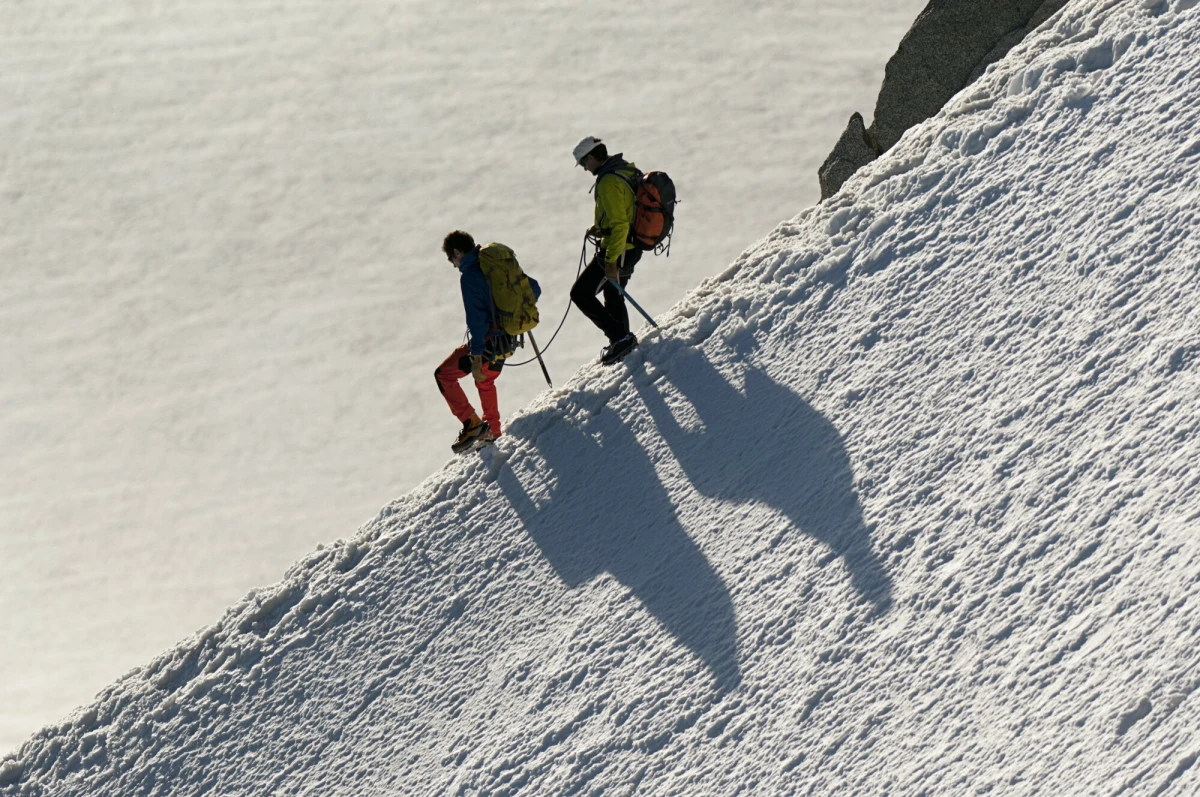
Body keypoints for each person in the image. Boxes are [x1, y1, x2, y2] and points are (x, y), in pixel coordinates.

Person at [435, 230, 541, 453]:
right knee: (485, 381)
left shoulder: (470, 275)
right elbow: (534, 288)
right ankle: (492, 431)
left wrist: (476, 354)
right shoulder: (496, 265)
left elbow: (477, 321)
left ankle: (472, 424)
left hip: (489, 343)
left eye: (451, 259)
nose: (453, 265)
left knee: (443, 375)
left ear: (457, 252)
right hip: (509, 340)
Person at [570, 136, 643, 365]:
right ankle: (622, 343)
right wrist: (601, 227)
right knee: (613, 294)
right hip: (632, 246)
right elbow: (622, 213)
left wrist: (611, 261)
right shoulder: (623, 169)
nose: (584, 168)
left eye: (584, 163)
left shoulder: (608, 181)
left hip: (619, 249)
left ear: (592, 156)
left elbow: (620, 225)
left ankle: (620, 337)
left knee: (580, 293)